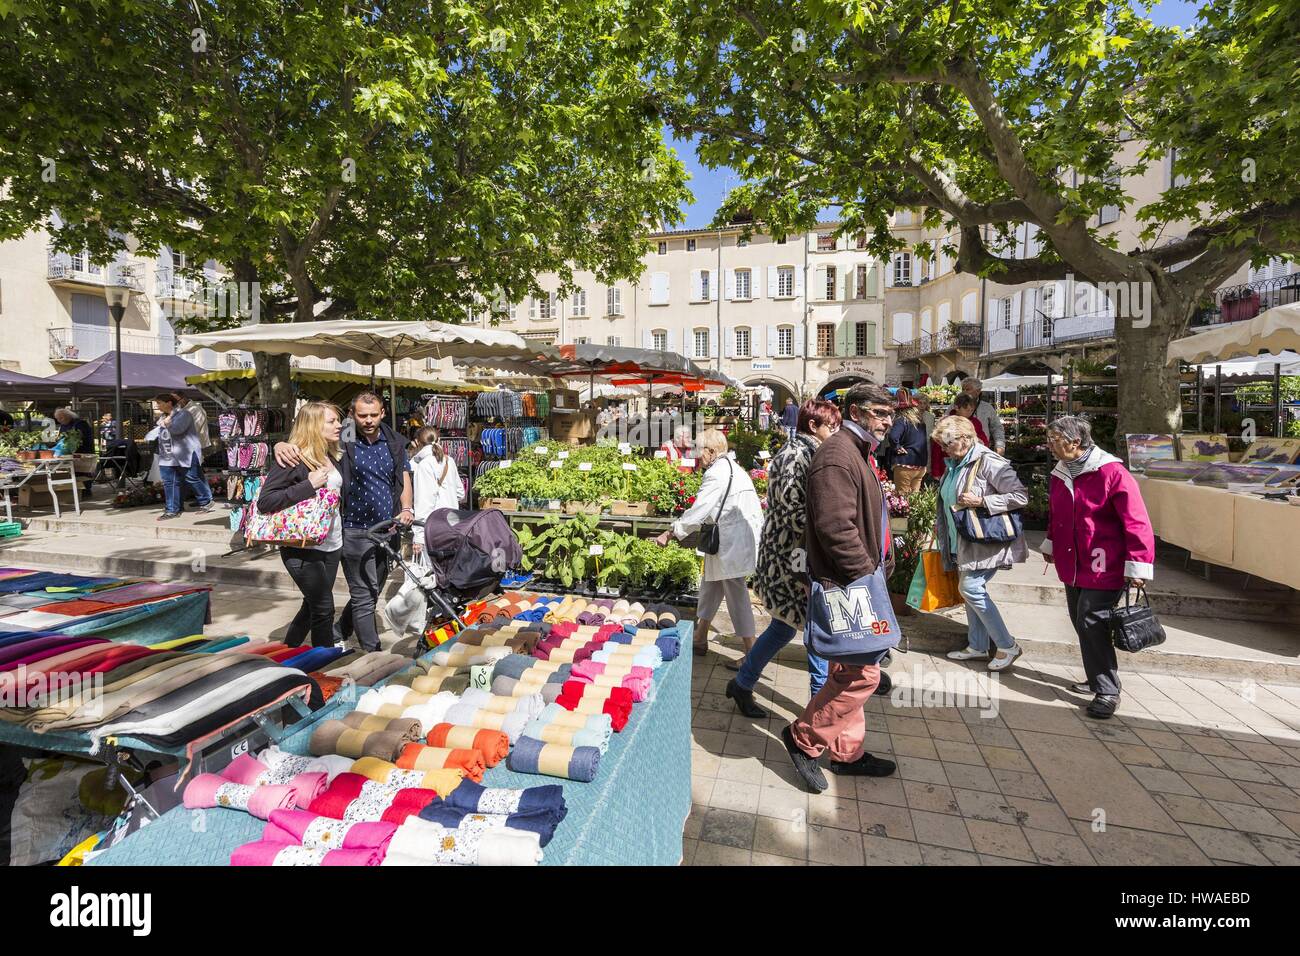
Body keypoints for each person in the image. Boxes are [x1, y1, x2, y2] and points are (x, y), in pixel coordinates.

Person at [782, 382, 898, 792]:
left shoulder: (855, 451)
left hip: (856, 581)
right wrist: (865, 573)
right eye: (879, 412)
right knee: (862, 675)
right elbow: (834, 526)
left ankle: (846, 754)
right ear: (854, 411)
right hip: (849, 585)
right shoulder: (837, 455)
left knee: (848, 668)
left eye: (890, 414)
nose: (887, 420)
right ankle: (803, 740)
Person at [275, 391, 413, 652]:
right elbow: (310, 437)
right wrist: (280, 445)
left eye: (374, 415)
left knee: (372, 591)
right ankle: (371, 651)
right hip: (353, 529)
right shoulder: (345, 435)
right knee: (363, 594)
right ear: (352, 415)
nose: (369, 420)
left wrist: (407, 507)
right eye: (362, 415)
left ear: (383, 413)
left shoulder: (394, 440)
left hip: (387, 528)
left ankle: (337, 630)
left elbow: (403, 475)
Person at [728, 399, 840, 718]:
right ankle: (821, 710)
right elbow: (792, 511)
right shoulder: (796, 454)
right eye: (831, 425)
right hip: (791, 557)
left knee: (784, 627)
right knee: (813, 627)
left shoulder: (808, 451)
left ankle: (743, 682)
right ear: (812, 425)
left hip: (795, 553)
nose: (836, 430)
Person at [1043, 416, 1155, 720]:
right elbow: (1057, 513)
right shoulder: (1060, 473)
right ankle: (1096, 678)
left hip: (1104, 562)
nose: (1049, 445)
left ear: (1074, 442)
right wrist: (1051, 543)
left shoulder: (1112, 473)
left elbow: (1136, 520)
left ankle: (1107, 690)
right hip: (1073, 562)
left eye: (1054, 439)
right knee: (1082, 621)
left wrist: (1139, 565)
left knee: (1092, 620)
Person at [654, 429, 763, 661]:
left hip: (731, 541)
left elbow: (699, 510)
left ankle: (752, 653)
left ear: (712, 451)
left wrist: (671, 532)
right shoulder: (732, 468)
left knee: (736, 594)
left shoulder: (717, 473)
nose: (695, 454)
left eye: (699, 450)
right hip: (730, 538)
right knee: (710, 585)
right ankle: (700, 636)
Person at [933, 414, 1028, 671]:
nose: (943, 449)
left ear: (964, 439)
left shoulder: (989, 461)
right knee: (969, 590)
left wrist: (983, 501)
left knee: (971, 588)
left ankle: (1007, 646)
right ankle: (977, 645)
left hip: (986, 541)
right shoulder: (956, 462)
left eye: (946, 443)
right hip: (964, 540)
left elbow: (1020, 496)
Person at [257, 402, 344, 648]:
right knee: (324, 608)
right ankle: (322, 664)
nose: (338, 425)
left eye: (337, 420)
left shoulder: (331, 454)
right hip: (302, 546)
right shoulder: (293, 459)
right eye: (331, 421)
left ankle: (287, 651)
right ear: (314, 425)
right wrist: (308, 485)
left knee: (312, 605)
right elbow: (266, 501)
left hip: (331, 543)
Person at [150, 394, 213, 520]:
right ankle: (172, 510)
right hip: (167, 456)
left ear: (169, 403)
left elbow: (178, 430)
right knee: (169, 482)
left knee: (191, 477)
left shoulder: (184, 414)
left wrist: (166, 424)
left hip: (186, 454)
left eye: (160, 403)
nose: (157, 406)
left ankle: (206, 501)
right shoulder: (163, 417)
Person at [410, 426, 464, 561]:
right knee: (448, 566)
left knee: (432, 569)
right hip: (452, 522)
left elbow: (424, 502)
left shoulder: (423, 465)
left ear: (417, 442)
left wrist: (418, 536)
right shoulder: (449, 461)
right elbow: (460, 493)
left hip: (433, 526)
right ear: (438, 439)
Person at [885, 390, 927, 493]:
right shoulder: (920, 422)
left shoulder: (901, 420)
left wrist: (897, 447)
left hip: (904, 463)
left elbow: (893, 436)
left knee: (902, 497)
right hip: (920, 464)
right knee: (914, 498)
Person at [961, 377, 1005, 454]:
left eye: (967, 389)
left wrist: (1000, 445)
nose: (964, 392)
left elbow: (997, 427)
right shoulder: (954, 406)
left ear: (978, 391)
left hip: (982, 450)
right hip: (960, 451)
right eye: (963, 389)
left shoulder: (987, 408)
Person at [914, 394, 936, 475]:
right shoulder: (911, 416)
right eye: (920, 403)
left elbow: (932, 432)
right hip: (914, 446)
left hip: (926, 445)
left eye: (924, 403)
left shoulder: (930, 416)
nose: (922, 405)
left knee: (925, 469)